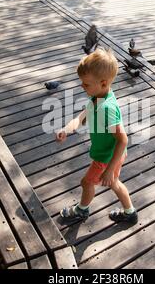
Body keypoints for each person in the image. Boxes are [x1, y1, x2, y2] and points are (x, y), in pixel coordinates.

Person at [56, 48, 138, 224]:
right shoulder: (97, 96)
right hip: (111, 155)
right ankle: (130, 212)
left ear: (103, 83)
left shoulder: (107, 108)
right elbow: (81, 117)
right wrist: (66, 129)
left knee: (86, 183)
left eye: (86, 84)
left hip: (106, 158)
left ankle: (81, 210)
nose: (82, 87)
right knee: (114, 183)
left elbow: (123, 140)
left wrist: (108, 169)